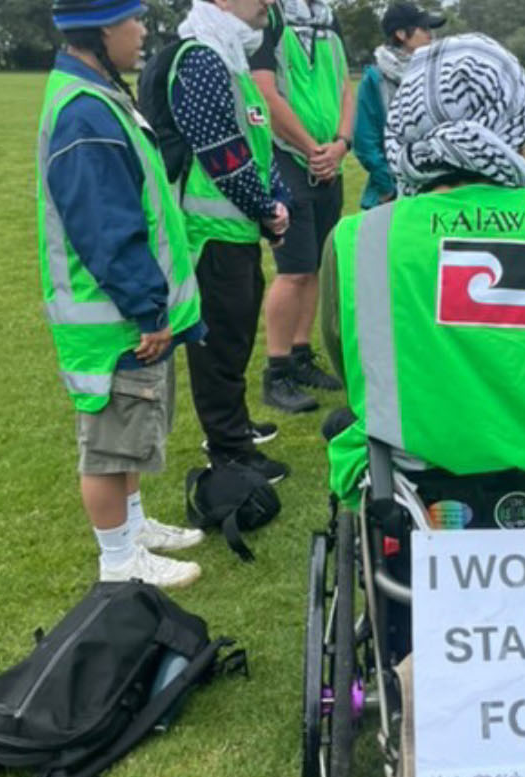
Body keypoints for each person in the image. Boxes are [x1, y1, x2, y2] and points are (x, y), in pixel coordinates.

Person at [323, 33, 525, 503]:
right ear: (516, 115)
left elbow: (349, 360)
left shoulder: (361, 239)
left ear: (409, 115)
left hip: (408, 482)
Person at [36, 0, 209, 587]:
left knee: (130, 437)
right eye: (135, 20)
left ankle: (134, 528)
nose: (143, 31)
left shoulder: (99, 92)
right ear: (104, 28)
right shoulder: (85, 113)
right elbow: (106, 229)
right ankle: (118, 559)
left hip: (124, 317)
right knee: (109, 448)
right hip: (114, 322)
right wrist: (147, 308)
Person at [144, 0, 295, 482]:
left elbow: (256, 143)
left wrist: (274, 199)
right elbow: (220, 152)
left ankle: (236, 427)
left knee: (234, 338)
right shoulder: (202, 58)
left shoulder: (228, 57)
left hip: (236, 228)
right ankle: (229, 449)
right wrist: (266, 207)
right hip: (210, 235)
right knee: (219, 347)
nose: (268, 4)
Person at [252, 0, 356, 414]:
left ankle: (299, 354)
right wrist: (313, 148)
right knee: (293, 271)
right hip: (288, 159)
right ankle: (276, 372)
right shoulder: (270, 16)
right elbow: (263, 90)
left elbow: (346, 88)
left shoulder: (328, 17)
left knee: (313, 265)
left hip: (329, 162)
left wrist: (341, 144)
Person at [353, 2, 441, 211]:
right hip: (391, 194)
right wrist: (389, 188)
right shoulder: (375, 79)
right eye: (424, 29)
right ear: (401, 34)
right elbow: (365, 142)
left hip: (436, 190)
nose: (431, 35)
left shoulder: (438, 73)